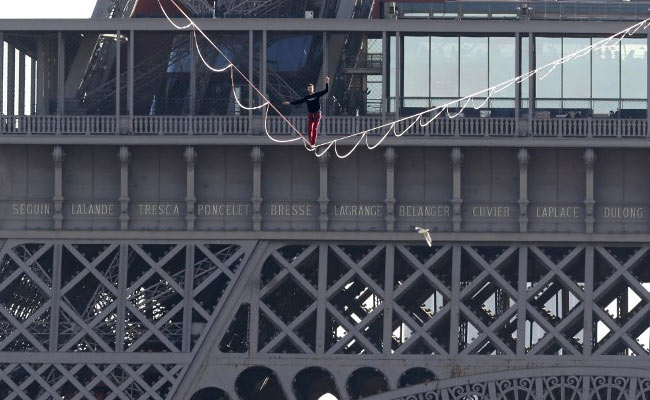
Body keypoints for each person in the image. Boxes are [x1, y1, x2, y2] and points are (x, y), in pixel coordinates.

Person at [283, 77, 330, 146]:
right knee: (309, 129)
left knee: (315, 128)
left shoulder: (317, 95)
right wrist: (289, 103)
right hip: (310, 114)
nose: (310, 89)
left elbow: (326, 91)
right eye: (309, 88)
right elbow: (299, 101)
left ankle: (313, 143)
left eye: (311, 88)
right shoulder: (306, 97)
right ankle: (310, 141)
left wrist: (327, 82)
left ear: (313, 89)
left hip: (317, 113)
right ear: (307, 89)